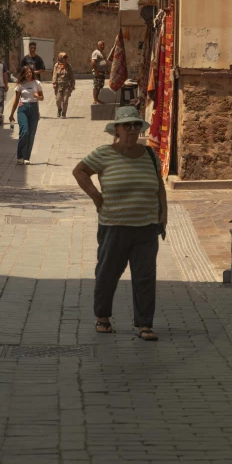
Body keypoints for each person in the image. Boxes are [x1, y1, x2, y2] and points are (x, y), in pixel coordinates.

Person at [72, 105, 168, 341]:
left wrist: (163, 213)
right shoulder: (104, 154)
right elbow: (80, 171)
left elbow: (159, 186)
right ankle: (102, 317)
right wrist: (96, 197)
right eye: (127, 125)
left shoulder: (149, 154)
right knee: (108, 273)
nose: (133, 129)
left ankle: (144, 324)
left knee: (145, 276)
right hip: (114, 226)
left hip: (146, 226)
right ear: (117, 129)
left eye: (136, 125)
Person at [8, 65, 44, 165]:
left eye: (30, 72)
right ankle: (20, 155)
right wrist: (11, 114)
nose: (29, 74)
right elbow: (16, 101)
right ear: (23, 74)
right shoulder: (20, 85)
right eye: (27, 72)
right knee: (25, 132)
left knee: (31, 135)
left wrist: (38, 96)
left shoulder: (37, 83)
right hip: (22, 109)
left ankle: (27, 157)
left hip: (34, 110)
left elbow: (42, 98)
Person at [52, 52, 75, 119]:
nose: (65, 59)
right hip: (59, 85)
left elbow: (71, 75)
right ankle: (59, 109)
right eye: (64, 57)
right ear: (60, 58)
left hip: (67, 85)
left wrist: (73, 83)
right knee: (58, 99)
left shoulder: (68, 66)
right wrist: (54, 83)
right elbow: (54, 74)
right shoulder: (56, 65)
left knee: (65, 100)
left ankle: (64, 113)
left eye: (66, 57)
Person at [91, 40, 108, 104]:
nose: (102, 46)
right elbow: (93, 61)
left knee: (100, 86)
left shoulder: (102, 52)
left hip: (102, 72)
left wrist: (107, 70)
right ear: (98, 46)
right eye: (101, 45)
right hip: (98, 72)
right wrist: (96, 70)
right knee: (96, 86)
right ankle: (95, 99)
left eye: (103, 45)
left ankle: (97, 98)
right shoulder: (96, 52)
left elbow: (104, 62)